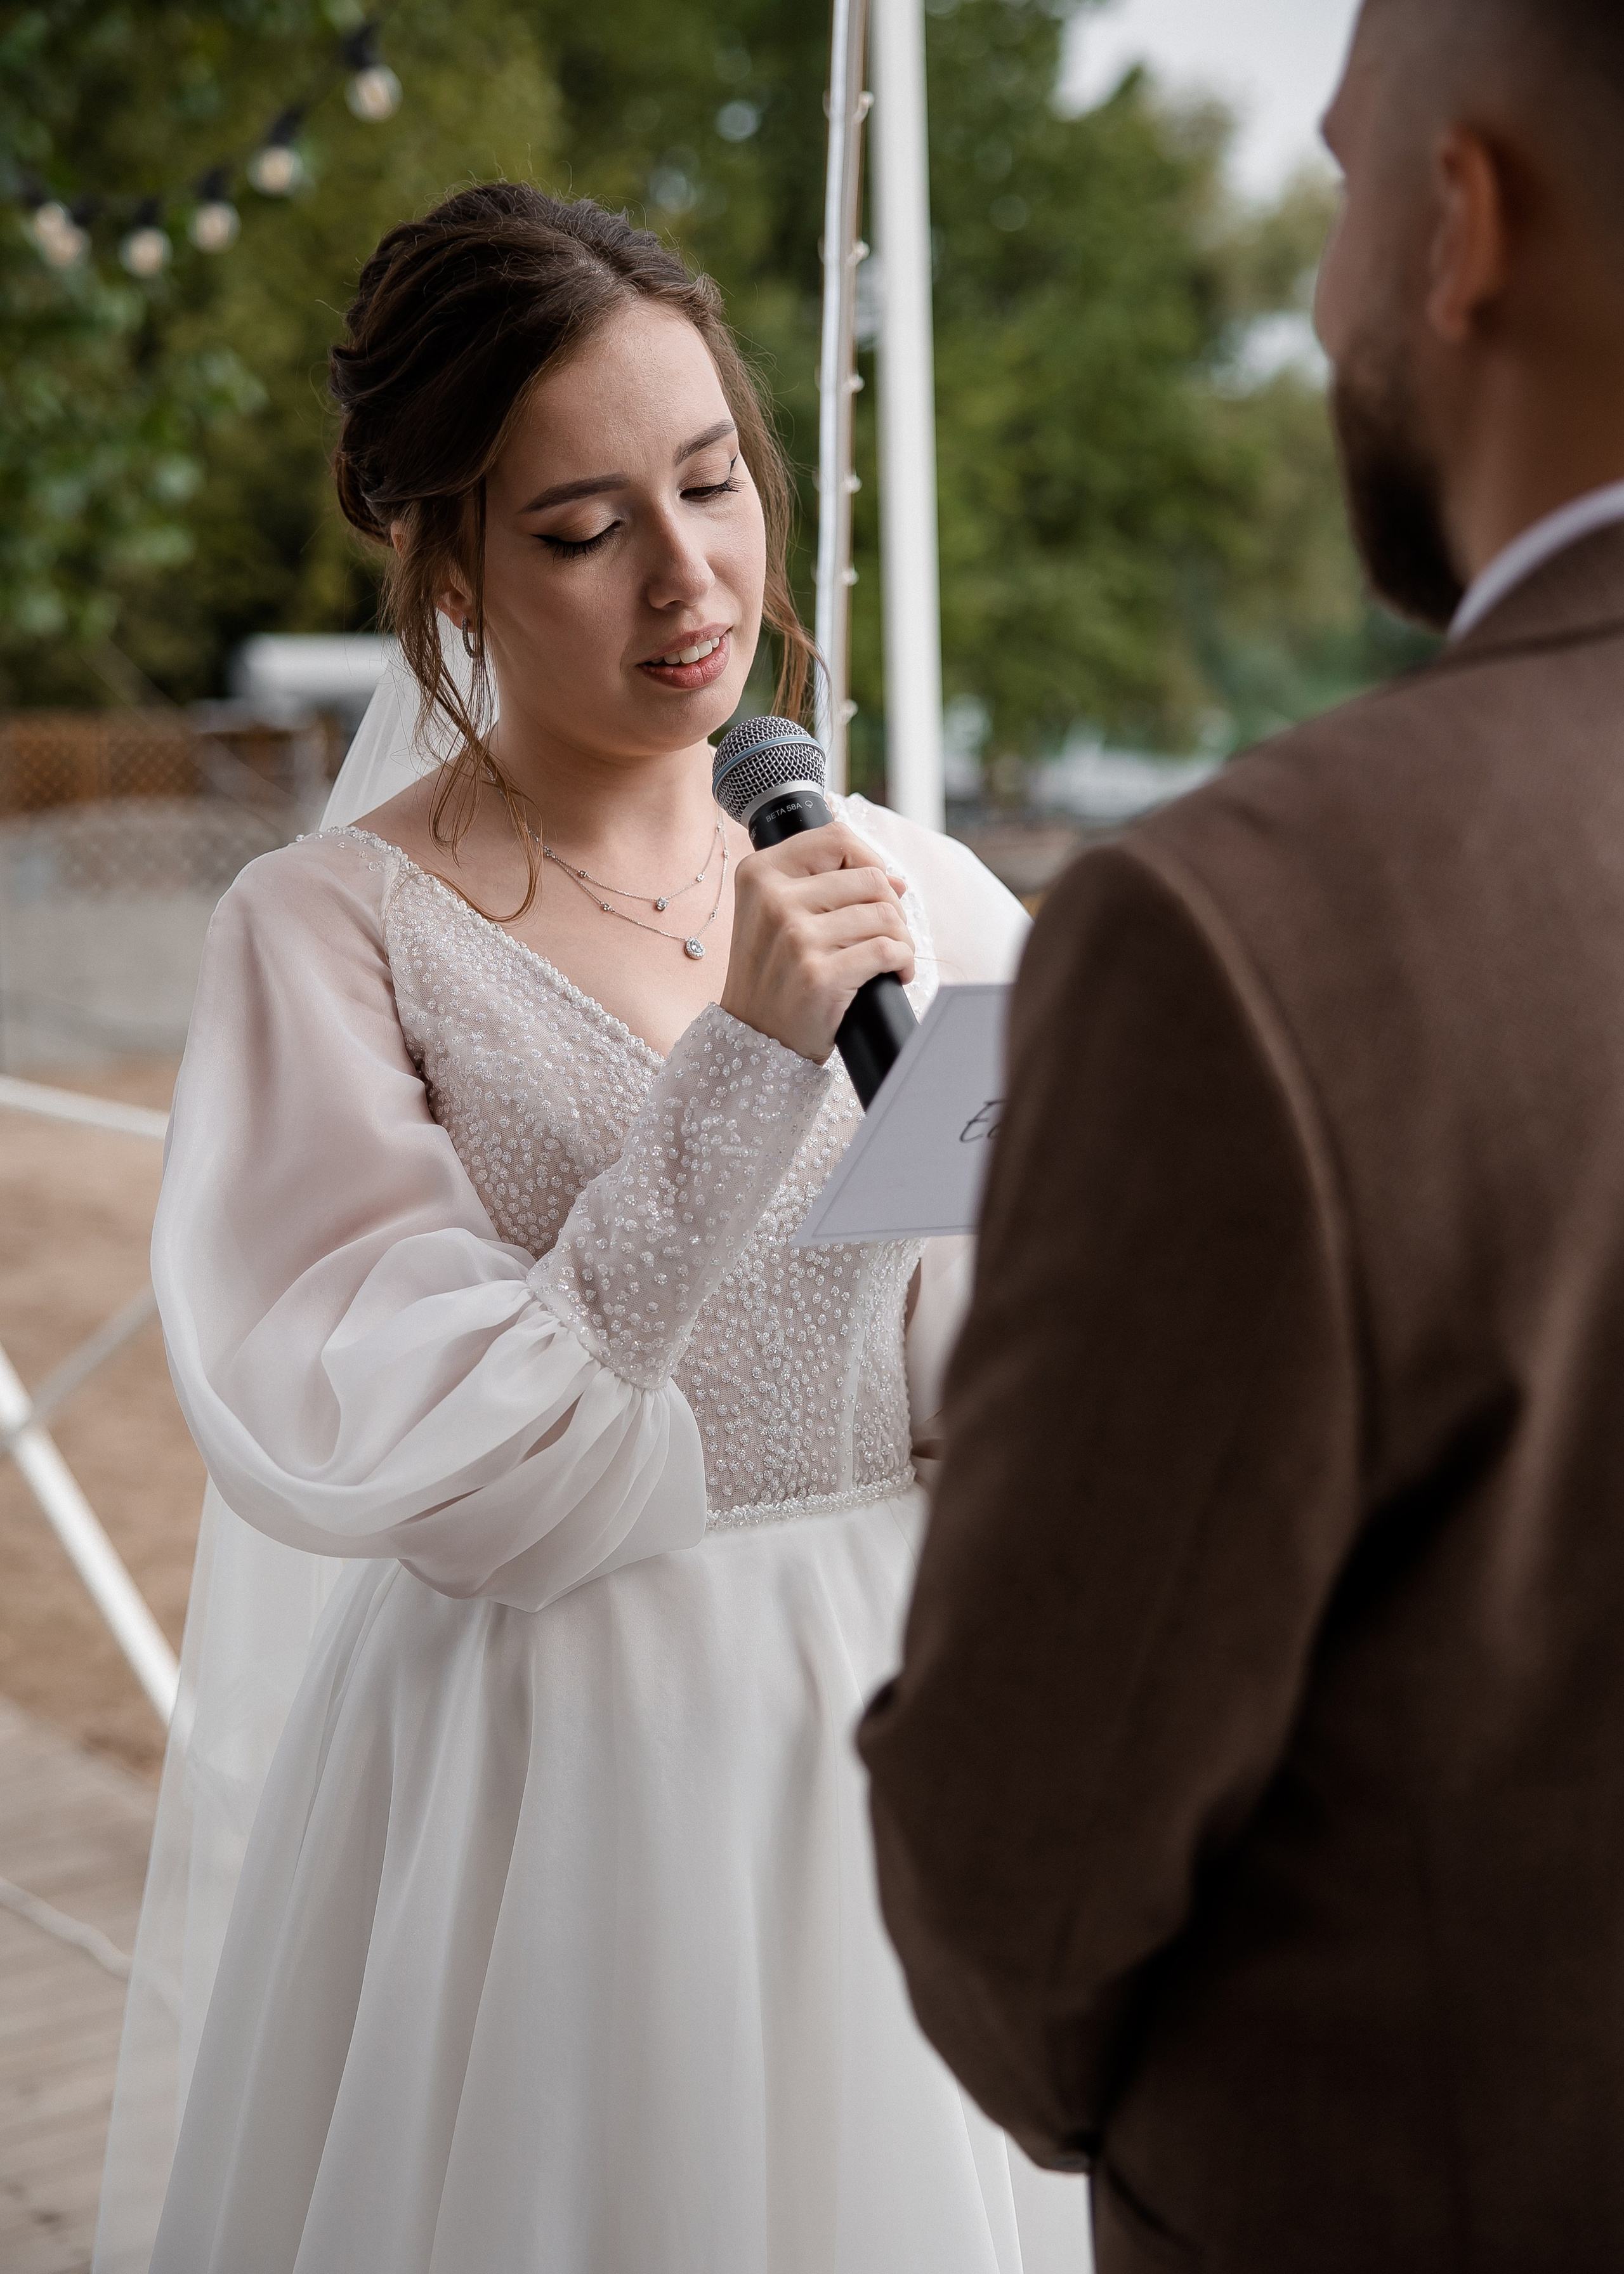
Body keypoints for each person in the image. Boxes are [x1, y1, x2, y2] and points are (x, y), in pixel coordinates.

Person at [96, 186, 1091, 2271]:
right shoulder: (326, 933)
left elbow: (1006, 1340)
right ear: (438, 550)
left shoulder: (906, 878)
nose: (691, 576)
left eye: (715, 481)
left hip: (903, 1725)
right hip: (565, 1784)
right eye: (582, 530)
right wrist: (739, 1067)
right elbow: (417, 1450)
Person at [858, 2, 1624, 2268]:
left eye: (1338, 193)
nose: (1313, 295)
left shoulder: (1249, 931)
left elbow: (1021, 1866)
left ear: (1459, 228)